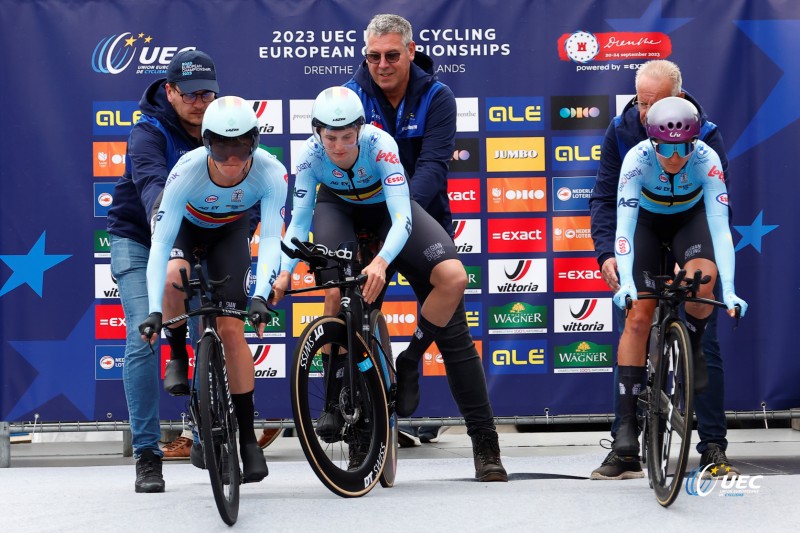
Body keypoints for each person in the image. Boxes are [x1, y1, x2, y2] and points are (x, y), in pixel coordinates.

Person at [268, 86, 506, 481]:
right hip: (337, 210)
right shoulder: (309, 154)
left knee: (453, 278)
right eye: (331, 138)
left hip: (387, 214)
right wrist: (283, 272)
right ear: (316, 132)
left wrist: (380, 261)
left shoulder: (381, 145)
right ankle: (340, 405)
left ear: (361, 129)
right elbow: (297, 221)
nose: (340, 146)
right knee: (334, 290)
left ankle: (417, 369)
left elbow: (402, 218)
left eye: (348, 136)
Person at [589, 60, 741, 480]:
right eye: (641, 101)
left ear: (680, 96)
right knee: (637, 315)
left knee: (701, 306)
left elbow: (718, 215)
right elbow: (605, 200)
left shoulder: (705, 136)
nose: (645, 109)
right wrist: (608, 255)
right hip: (640, 225)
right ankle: (625, 445)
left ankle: (712, 446)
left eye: (657, 101)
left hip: (689, 225)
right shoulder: (622, 133)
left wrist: (717, 279)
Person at [139, 95, 288, 484]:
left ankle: (247, 440)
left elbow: (272, 239)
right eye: (222, 145)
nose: (233, 157)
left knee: (231, 331)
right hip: (186, 230)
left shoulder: (271, 172)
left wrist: (259, 295)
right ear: (207, 142)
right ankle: (175, 352)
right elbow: (160, 242)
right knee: (175, 273)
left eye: (242, 145)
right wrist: (155, 309)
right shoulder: (186, 170)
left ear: (255, 141)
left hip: (230, 232)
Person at [107, 49, 220, 493]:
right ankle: (148, 454)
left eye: (207, 92)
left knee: (214, 329)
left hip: (203, 235)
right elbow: (151, 182)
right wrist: (166, 226)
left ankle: (201, 428)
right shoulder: (147, 129)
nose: (199, 101)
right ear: (170, 91)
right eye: (189, 93)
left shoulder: (224, 123)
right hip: (141, 237)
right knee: (143, 334)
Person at [344, 13, 459, 448]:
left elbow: (433, 167)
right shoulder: (350, 97)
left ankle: (411, 360)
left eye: (392, 55)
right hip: (362, 217)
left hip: (419, 210)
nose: (383, 64)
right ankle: (347, 409)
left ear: (411, 51)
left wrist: (399, 214)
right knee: (345, 303)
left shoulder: (437, 96)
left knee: (450, 310)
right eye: (373, 56)